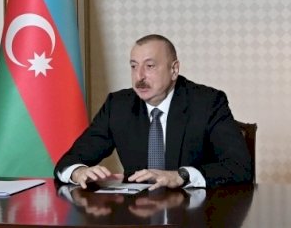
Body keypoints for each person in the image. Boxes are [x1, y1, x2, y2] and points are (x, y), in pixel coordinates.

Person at [55, 34, 252, 190]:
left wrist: (181, 175)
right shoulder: (118, 106)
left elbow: (240, 167)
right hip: (137, 215)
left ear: (174, 70)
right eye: (134, 66)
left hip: (195, 215)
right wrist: (78, 172)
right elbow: (68, 162)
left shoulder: (207, 103)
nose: (139, 77)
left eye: (149, 66)